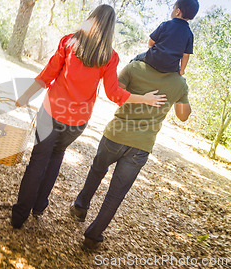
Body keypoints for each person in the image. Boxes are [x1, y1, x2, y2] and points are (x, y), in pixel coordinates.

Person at [11, 4, 167, 229]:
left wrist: (25, 96)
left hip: (52, 112)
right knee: (56, 156)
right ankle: (39, 206)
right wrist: (144, 99)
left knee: (38, 161)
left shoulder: (69, 42)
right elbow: (114, 94)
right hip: (77, 122)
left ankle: (19, 215)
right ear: (110, 29)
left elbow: (47, 75)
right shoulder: (109, 57)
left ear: (91, 19)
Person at [70, 59, 192, 250]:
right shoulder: (179, 83)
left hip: (116, 134)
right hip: (141, 145)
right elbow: (183, 116)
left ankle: (80, 207)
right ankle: (92, 237)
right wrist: (180, 91)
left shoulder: (135, 67)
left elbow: (115, 92)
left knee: (97, 170)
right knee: (116, 193)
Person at [131, 0, 199, 75]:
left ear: (177, 11)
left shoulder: (165, 25)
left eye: (173, 8)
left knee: (136, 59)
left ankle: (129, 72)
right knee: (178, 69)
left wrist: (150, 49)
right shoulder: (189, 34)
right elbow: (186, 55)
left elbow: (151, 41)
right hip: (171, 67)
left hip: (153, 59)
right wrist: (182, 70)